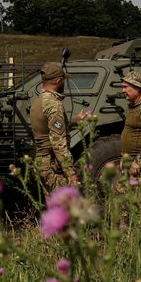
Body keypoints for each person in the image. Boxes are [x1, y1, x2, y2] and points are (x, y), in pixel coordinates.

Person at [29, 62, 88, 191]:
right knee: (65, 202)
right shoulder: (54, 105)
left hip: (43, 163)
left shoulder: (38, 102)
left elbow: (50, 128)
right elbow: (58, 143)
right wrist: (71, 173)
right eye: (63, 80)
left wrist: (76, 121)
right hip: (52, 166)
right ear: (58, 81)